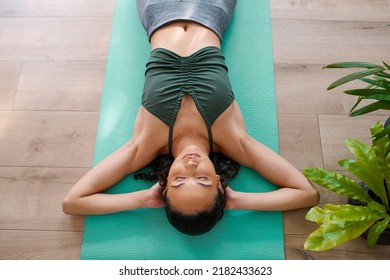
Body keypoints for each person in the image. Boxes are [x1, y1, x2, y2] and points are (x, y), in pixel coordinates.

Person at [62, 0, 319, 235]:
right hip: (211, 9)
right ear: (219, 182)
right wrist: (236, 200)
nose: (191, 167)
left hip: (158, 10)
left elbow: (73, 202)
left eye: (179, 180)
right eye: (203, 180)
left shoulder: (144, 145)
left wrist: (142, 199)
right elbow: (306, 193)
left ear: (164, 184)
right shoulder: (234, 141)